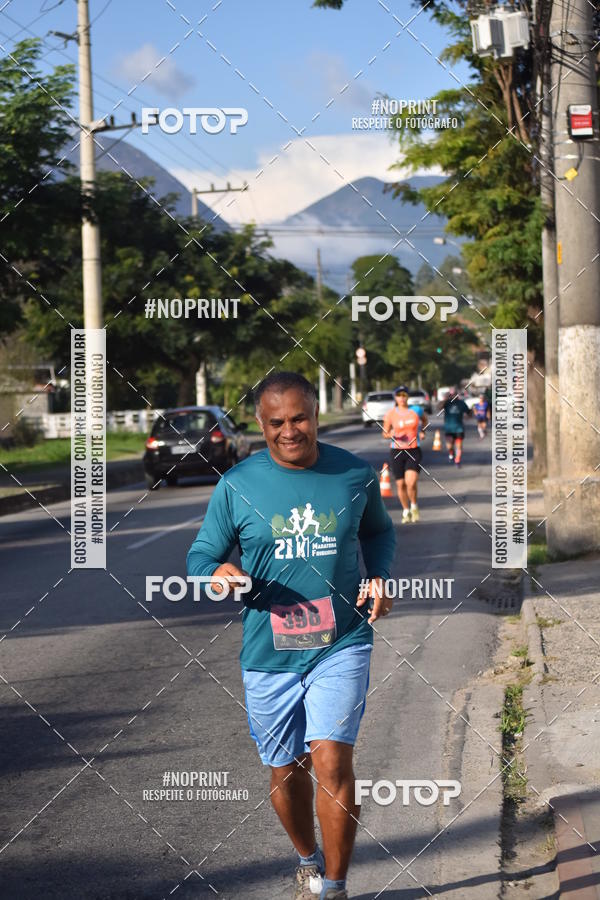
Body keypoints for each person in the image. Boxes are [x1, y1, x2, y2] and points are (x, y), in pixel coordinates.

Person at [187, 371, 395, 900]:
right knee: (285, 772)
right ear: (260, 423)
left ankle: (336, 886)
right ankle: (308, 856)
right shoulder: (237, 484)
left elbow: (378, 530)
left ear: (316, 415)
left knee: (331, 759)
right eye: (276, 422)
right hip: (268, 651)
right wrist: (217, 574)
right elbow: (201, 555)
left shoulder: (353, 473)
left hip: (342, 639)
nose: (289, 431)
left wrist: (379, 575)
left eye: (299, 418)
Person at [381, 385, 428, 524]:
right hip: (396, 451)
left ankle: (414, 506)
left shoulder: (416, 410)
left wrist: (423, 432)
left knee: (411, 482)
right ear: (395, 397)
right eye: (399, 395)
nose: (402, 398)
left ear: (408, 396)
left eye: (404, 395)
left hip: (413, 450)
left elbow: (425, 420)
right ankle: (405, 510)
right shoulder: (391, 414)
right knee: (401, 484)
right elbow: (384, 433)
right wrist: (392, 435)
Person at [439, 387, 471, 466]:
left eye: (454, 394)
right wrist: (444, 399)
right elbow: (438, 408)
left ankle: (457, 460)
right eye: (451, 394)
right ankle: (451, 453)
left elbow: (468, 412)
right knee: (449, 446)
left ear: (457, 394)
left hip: (459, 428)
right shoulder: (446, 403)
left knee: (459, 445)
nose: (453, 396)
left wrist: (468, 416)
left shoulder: (461, 403)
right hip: (449, 428)